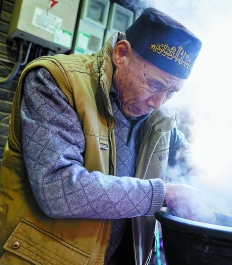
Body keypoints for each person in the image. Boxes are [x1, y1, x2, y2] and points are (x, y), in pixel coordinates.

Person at [0, 8, 214, 265]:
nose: (159, 102)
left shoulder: (157, 114)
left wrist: (199, 175)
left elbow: (179, 150)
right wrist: (164, 194)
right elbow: (57, 188)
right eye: (155, 85)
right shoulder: (56, 82)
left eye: (172, 91)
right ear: (121, 54)